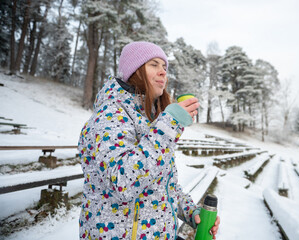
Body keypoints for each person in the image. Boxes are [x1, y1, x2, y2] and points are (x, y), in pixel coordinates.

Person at [78, 41, 220, 240]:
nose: (163, 72)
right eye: (154, 65)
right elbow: (123, 182)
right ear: (134, 71)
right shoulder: (109, 114)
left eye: (164, 67)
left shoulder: (151, 118)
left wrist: (191, 211)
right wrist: (169, 124)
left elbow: (162, 186)